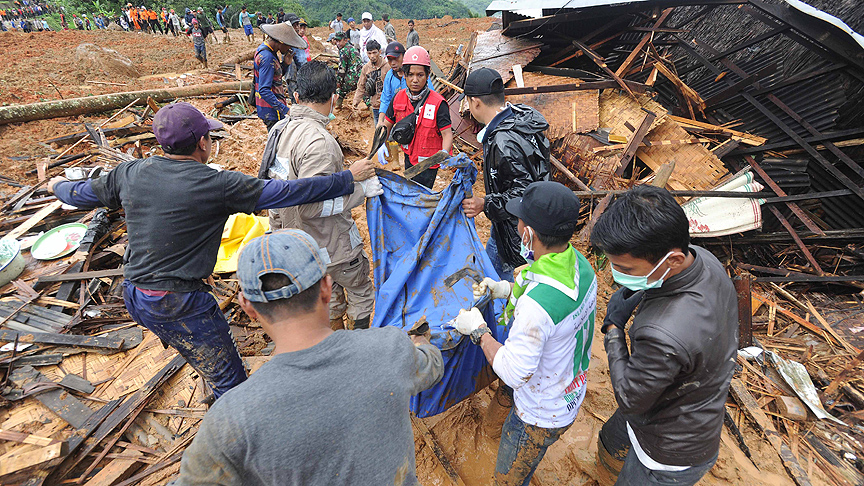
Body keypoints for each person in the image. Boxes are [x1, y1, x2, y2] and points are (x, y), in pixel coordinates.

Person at [48, 102, 377, 402]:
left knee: (199, 351)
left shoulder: (131, 172)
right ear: (203, 143)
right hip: (179, 302)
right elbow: (288, 192)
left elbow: (79, 193)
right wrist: (348, 178)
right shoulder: (216, 184)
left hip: (135, 294)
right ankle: (237, 435)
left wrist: (56, 186)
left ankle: (206, 367)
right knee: (231, 382)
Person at [172, 228, 444, 486]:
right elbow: (432, 365)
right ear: (327, 287)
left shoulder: (230, 419)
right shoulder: (389, 348)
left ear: (248, 307)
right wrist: (419, 341)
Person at [450, 181, 596, 486]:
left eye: (519, 220)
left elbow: (515, 373)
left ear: (528, 232)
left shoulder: (536, 307)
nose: (516, 225)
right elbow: (549, 299)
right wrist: (506, 290)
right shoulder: (580, 266)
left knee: (509, 478)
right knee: (503, 406)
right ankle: (490, 432)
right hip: (568, 383)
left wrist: (479, 331)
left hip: (541, 414)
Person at [590, 185, 737, 486]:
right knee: (612, 442)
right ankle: (603, 470)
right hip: (675, 397)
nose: (614, 274)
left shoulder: (664, 333)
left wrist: (614, 330)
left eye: (624, 268)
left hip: (669, 451)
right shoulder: (703, 259)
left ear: (672, 260)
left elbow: (630, 398)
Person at [261, 61, 381, 331]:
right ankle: (355, 346)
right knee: (361, 293)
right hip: (332, 245)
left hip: (298, 245)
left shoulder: (281, 131)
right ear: (334, 98)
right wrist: (360, 191)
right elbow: (311, 207)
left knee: (329, 297)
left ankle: (335, 343)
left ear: (296, 97)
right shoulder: (320, 143)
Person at [460, 68, 551, 282]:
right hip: (521, 224)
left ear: (475, 103)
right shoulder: (520, 117)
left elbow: (523, 193)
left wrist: (485, 203)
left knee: (498, 280)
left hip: (516, 229)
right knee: (493, 268)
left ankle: (504, 311)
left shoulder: (503, 141)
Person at [381, 46, 452, 189]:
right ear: (405, 75)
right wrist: (381, 143)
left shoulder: (438, 103)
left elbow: (447, 133)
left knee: (422, 195)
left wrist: (444, 152)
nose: (415, 80)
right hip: (409, 157)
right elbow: (387, 124)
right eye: (411, 74)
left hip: (429, 163)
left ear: (427, 76)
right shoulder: (398, 98)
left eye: (420, 75)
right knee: (410, 189)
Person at [255, 21, 305, 131]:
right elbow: (264, 90)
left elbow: (274, 76)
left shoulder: (268, 51)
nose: (289, 48)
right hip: (272, 110)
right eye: (288, 45)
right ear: (281, 41)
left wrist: (286, 64)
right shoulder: (267, 58)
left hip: (272, 107)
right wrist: (285, 109)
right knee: (277, 142)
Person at [377, 41, 434, 127]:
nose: (393, 63)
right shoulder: (389, 76)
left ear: (404, 56)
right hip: (398, 120)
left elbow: (430, 96)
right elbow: (385, 100)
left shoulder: (416, 74)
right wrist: (380, 121)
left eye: (396, 58)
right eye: (390, 59)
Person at [353, 39, 389, 130]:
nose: (372, 56)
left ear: (380, 52)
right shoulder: (366, 68)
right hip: (375, 106)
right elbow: (361, 86)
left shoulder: (387, 67)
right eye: (369, 53)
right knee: (378, 131)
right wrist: (355, 102)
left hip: (387, 106)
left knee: (388, 133)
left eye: (374, 52)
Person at [334, 32, 362, 110]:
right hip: (361, 77)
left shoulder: (344, 50)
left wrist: (338, 82)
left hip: (353, 78)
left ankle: (337, 107)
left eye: (339, 41)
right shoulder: (352, 48)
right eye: (336, 41)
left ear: (345, 40)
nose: (338, 43)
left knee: (340, 90)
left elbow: (342, 69)